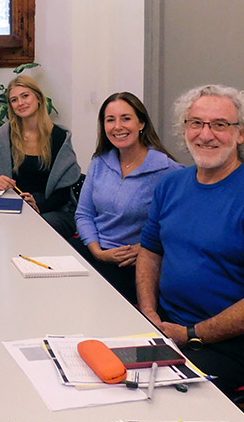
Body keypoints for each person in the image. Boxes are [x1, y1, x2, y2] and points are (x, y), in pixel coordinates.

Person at [137, 84, 244, 395]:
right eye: (196, 123)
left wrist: (191, 334)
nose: (205, 134)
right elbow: (150, 251)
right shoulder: (170, 185)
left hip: (237, 346)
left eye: (220, 125)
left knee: (154, 397)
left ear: (241, 134)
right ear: (184, 129)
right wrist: (149, 313)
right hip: (170, 324)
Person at [75, 92, 182, 304]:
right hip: (94, 251)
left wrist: (145, 247)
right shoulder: (99, 162)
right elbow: (84, 214)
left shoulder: (168, 170)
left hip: (131, 263)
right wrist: (97, 251)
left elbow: (178, 226)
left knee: (90, 301)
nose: (117, 127)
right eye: (110, 120)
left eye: (126, 118)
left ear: (141, 123)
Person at [0, 75, 81, 239]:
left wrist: (37, 204)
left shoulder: (59, 136)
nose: (20, 103)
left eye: (25, 96)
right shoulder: (7, 133)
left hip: (51, 210)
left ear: (38, 98)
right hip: (15, 204)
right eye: (14, 100)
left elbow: (63, 193)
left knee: (31, 229)